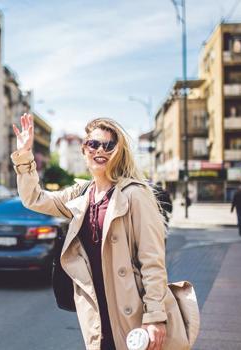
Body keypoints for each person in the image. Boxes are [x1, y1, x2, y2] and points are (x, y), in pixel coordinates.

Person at [12, 115, 168, 350]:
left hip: (131, 310)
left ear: (119, 152)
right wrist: (24, 156)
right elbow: (34, 198)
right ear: (84, 150)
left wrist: (155, 316)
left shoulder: (135, 194)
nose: (100, 150)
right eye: (93, 144)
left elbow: (152, 261)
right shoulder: (81, 194)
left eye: (109, 145)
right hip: (95, 313)